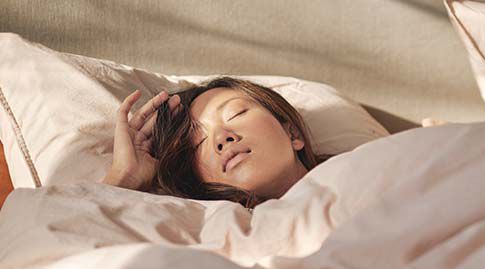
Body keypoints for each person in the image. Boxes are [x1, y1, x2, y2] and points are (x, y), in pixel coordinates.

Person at [101, 76, 446, 209]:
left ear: (292, 133)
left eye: (235, 114)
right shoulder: (209, 227)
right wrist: (124, 179)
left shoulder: (380, 165)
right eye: (198, 143)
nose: (221, 137)